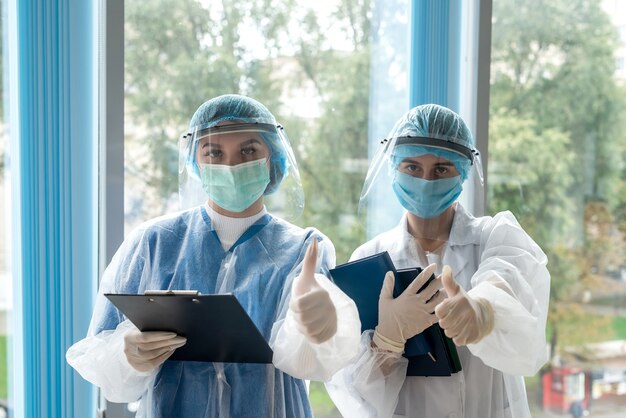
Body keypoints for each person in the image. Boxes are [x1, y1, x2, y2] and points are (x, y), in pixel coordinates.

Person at [66, 94, 361, 417]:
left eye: (248, 150)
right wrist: (127, 355)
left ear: (272, 158)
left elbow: (306, 361)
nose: (230, 165)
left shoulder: (304, 249)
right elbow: (100, 353)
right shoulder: (152, 244)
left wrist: (321, 329)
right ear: (196, 162)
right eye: (214, 152)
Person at [326, 104, 550, 417]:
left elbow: (509, 278)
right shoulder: (369, 259)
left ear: (463, 170)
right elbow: (357, 398)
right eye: (412, 168)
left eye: (442, 169)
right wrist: (386, 341)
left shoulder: (495, 236)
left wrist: (483, 311)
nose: (426, 180)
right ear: (394, 167)